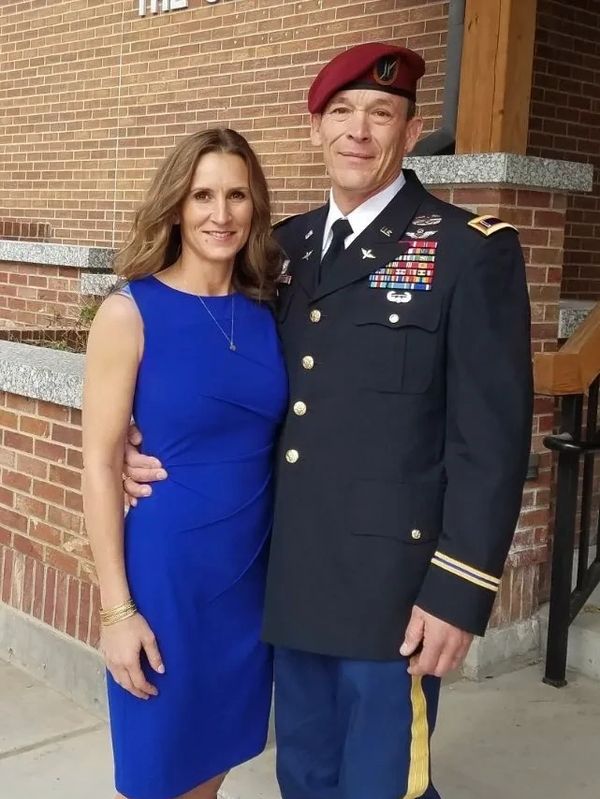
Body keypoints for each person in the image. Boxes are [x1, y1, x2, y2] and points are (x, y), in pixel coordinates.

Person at [122, 43, 533, 799]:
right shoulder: (285, 250)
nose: (359, 131)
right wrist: (133, 441)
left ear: (411, 134)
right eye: (341, 112)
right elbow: (226, 373)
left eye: (382, 114)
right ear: (315, 128)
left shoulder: (466, 252)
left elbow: (492, 441)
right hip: (292, 577)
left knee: (383, 782)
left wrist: (459, 590)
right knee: (305, 775)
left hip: (392, 594)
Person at [82, 128, 288, 799]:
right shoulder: (129, 312)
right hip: (167, 581)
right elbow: (98, 463)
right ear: (175, 207)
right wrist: (116, 612)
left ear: (255, 207)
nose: (220, 213)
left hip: (248, 582)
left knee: (212, 769)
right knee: (156, 776)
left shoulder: (270, 312)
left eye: (236, 195)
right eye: (202, 194)